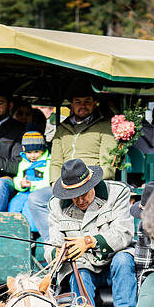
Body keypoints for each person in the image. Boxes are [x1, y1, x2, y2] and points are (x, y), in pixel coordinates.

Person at [27, 82, 117, 240]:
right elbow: (55, 160)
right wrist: (54, 181)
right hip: (66, 183)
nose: (83, 106)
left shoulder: (104, 126)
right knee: (35, 199)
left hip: (90, 182)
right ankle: (54, 243)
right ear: (71, 105)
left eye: (87, 101)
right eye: (78, 102)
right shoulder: (63, 129)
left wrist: (90, 182)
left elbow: (108, 163)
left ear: (95, 103)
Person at [46, 159, 136, 307]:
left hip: (114, 261)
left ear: (92, 185)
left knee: (124, 260)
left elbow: (124, 233)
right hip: (83, 266)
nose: (80, 200)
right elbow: (52, 242)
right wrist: (57, 253)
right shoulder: (56, 205)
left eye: (84, 194)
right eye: (73, 196)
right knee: (78, 270)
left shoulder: (117, 193)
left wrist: (90, 241)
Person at [9, 132, 50, 226]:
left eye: (36, 152)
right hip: (25, 192)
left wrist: (33, 185)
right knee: (15, 203)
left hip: (40, 192)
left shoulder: (47, 162)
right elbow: (17, 178)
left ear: (42, 150)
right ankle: (12, 226)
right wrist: (21, 184)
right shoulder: (23, 163)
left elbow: (48, 181)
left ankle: (32, 231)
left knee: (29, 207)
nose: (33, 156)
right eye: (29, 152)